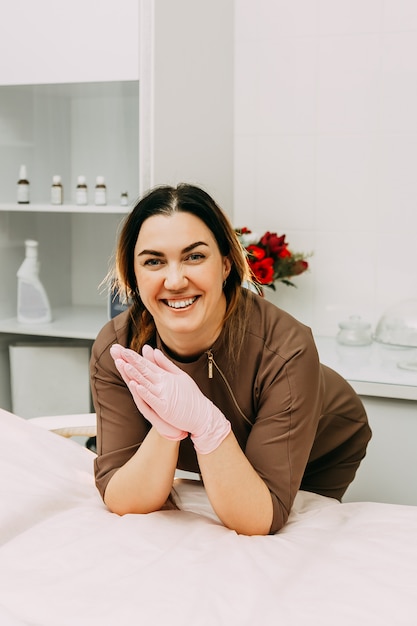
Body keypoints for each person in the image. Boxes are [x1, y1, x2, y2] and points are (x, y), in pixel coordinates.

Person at [90, 183, 371, 536]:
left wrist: (206, 424)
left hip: (323, 444)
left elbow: (257, 518)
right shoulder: (118, 348)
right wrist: (168, 426)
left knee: (286, 546)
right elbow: (123, 499)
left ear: (225, 265)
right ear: (132, 276)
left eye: (194, 256)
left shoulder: (288, 348)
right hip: (220, 451)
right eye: (153, 261)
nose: (175, 280)